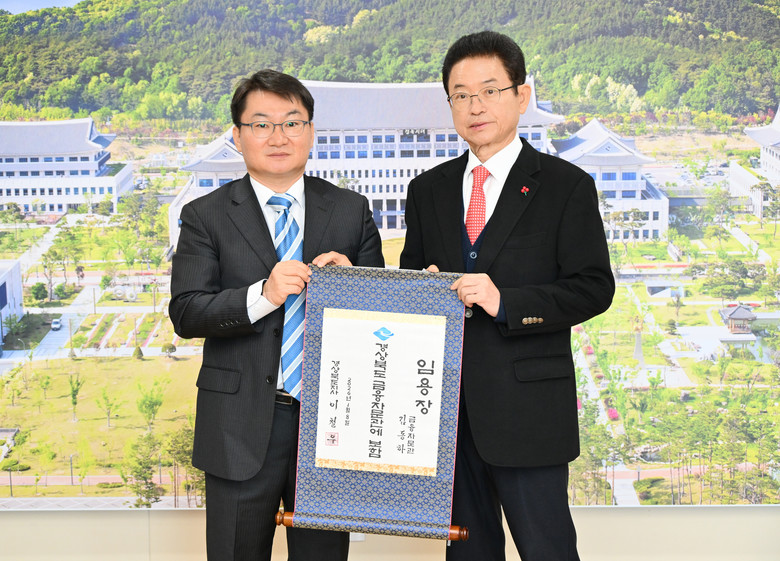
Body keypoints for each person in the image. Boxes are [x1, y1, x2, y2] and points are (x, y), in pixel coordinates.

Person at [400, 31, 614, 561]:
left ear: (522, 96)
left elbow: (593, 287)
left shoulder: (565, 186)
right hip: (447, 416)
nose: (476, 106)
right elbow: (411, 281)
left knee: (547, 550)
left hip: (529, 413)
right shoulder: (427, 189)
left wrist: (506, 303)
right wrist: (416, 288)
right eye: (461, 95)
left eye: (490, 91)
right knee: (468, 553)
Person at [169, 69, 384, 561]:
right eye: (261, 124)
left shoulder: (350, 210)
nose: (278, 137)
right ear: (237, 135)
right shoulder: (205, 215)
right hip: (239, 424)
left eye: (292, 122)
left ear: (310, 131)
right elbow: (187, 312)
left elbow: (380, 322)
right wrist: (263, 295)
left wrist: (353, 284)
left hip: (332, 424)